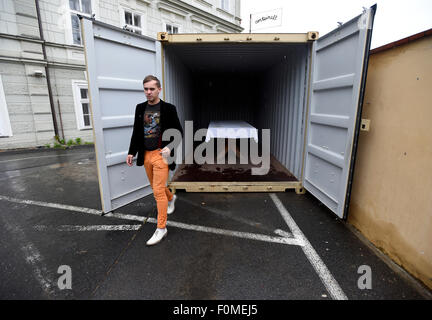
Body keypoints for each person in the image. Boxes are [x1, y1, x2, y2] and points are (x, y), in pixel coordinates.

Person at [126, 75, 183, 246]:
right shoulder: (140, 108)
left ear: (159, 89)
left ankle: (161, 228)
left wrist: (170, 146)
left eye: (152, 89)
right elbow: (137, 131)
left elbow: (179, 132)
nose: (148, 92)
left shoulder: (169, 108)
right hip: (146, 154)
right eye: (146, 89)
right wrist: (131, 152)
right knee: (156, 187)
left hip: (161, 155)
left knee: (157, 192)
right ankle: (171, 198)